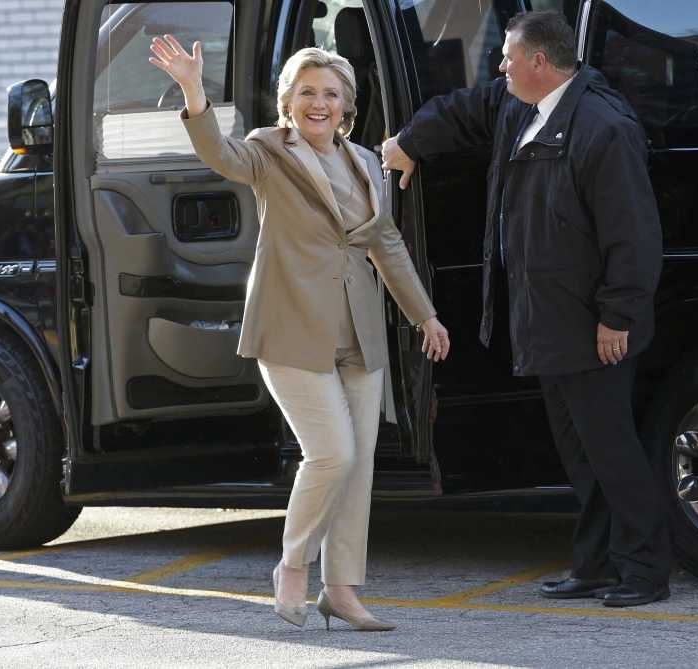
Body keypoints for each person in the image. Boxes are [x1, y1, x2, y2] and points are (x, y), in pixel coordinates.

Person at [149, 37, 450, 629]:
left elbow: (385, 244)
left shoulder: (365, 162)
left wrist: (425, 315)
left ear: (347, 106)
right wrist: (192, 91)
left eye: (331, 94)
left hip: (358, 329)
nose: (320, 103)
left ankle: (341, 589)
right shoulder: (267, 151)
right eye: (308, 92)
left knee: (359, 463)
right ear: (289, 101)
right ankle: (292, 566)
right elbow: (218, 154)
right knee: (331, 453)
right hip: (289, 327)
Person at [381, 11, 670, 607]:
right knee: (579, 454)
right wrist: (409, 143)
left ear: (541, 63)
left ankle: (644, 571)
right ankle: (594, 565)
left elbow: (633, 236)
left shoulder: (601, 126)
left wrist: (616, 317)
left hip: (594, 326)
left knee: (613, 451)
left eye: (509, 57)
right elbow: (462, 109)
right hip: (545, 320)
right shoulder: (518, 102)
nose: (501, 66)